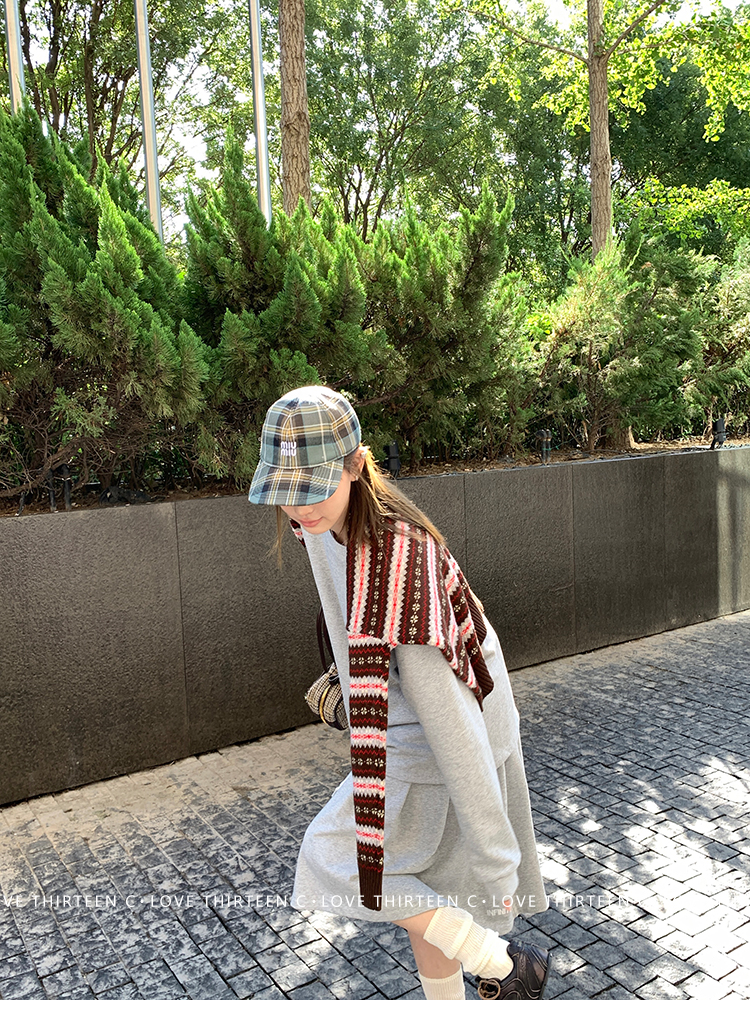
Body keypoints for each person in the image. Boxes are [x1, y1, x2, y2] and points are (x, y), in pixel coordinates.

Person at [248, 385, 550, 1001]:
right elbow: (347, 614)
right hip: (405, 720)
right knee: (426, 895)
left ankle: (501, 962)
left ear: (357, 465)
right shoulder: (321, 523)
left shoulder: (399, 563)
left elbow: (453, 717)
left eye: (313, 488)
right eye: (286, 490)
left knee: (333, 859)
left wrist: (496, 856)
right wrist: (352, 682)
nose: (299, 507)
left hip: (449, 730)